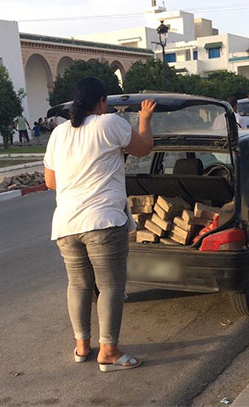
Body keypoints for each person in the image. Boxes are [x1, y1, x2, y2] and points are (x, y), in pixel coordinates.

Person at [44, 77, 156, 373]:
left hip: (66, 223)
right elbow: (144, 147)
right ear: (102, 102)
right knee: (110, 287)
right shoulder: (109, 123)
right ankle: (109, 352)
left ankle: (82, 347)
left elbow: (51, 181)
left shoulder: (59, 133)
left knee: (78, 285)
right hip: (103, 221)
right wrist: (145, 118)